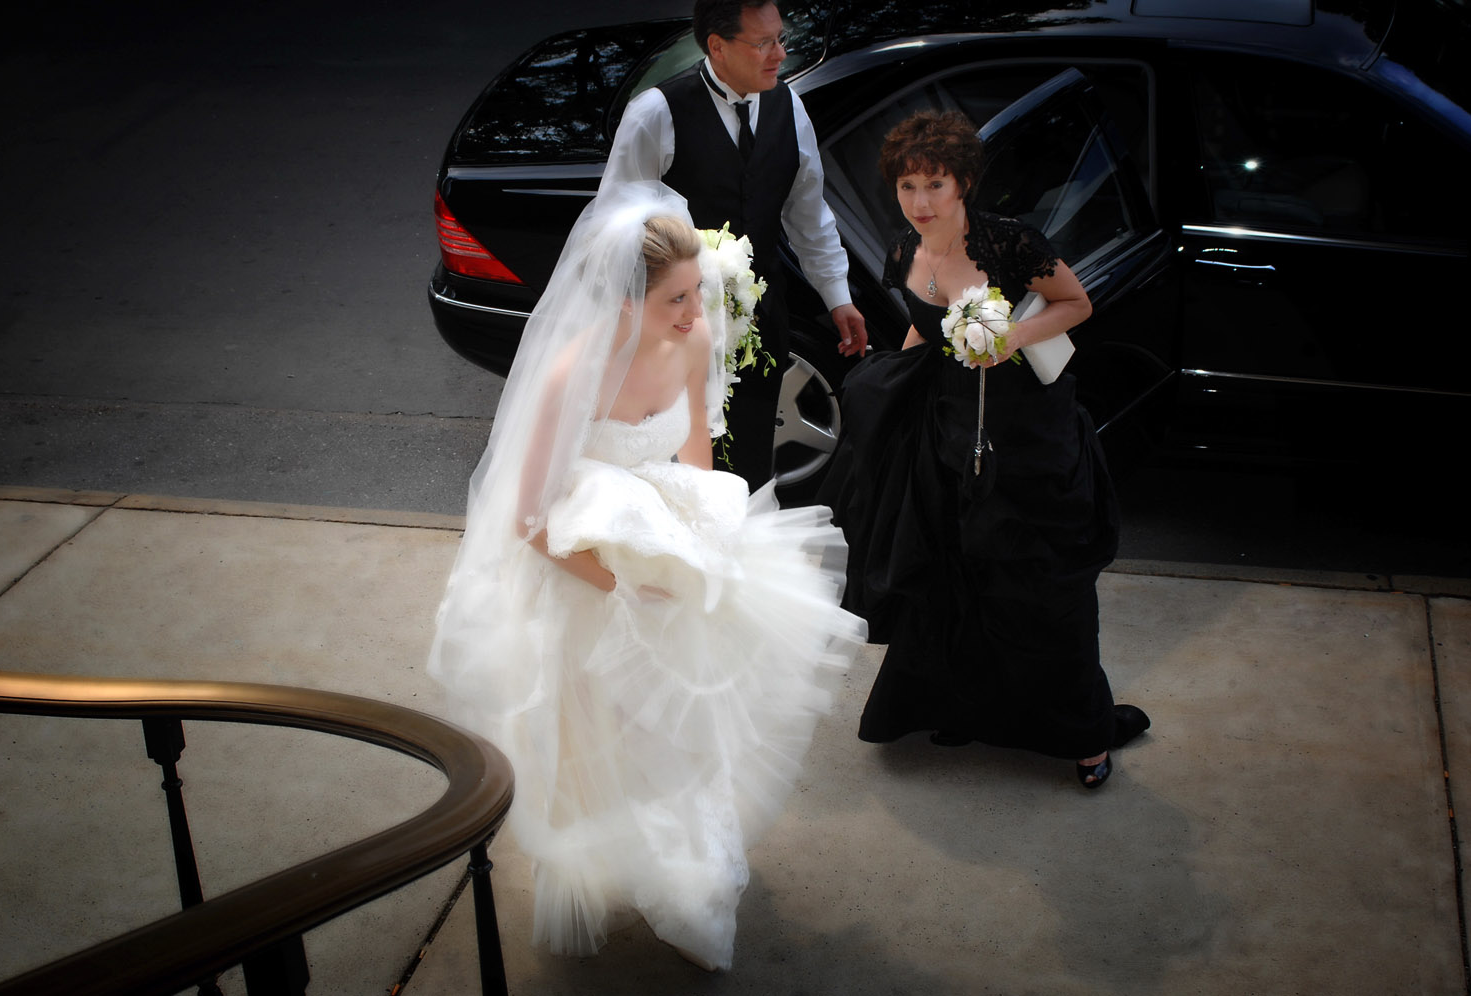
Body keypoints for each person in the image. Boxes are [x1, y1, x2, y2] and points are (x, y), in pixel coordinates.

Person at [428, 182, 866, 970]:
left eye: (697, 292)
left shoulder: (693, 342)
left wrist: (706, 545)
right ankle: (610, 862)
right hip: (583, 573)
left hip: (662, 553)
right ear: (624, 302)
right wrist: (622, 590)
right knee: (602, 746)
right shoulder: (572, 375)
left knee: (683, 739)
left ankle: (688, 877)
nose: (696, 312)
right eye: (675, 298)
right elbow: (530, 521)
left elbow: (697, 454)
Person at [819, 110, 1149, 788]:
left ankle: (1084, 736)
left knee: (1043, 587)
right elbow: (920, 334)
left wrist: (1009, 339)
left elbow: (1075, 304)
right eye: (908, 187)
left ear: (964, 182)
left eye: (935, 185)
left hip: (1028, 437)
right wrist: (887, 398)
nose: (921, 202)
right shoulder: (900, 252)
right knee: (954, 578)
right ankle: (961, 705)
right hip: (946, 432)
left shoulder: (1010, 244)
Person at [601, 0, 867, 490]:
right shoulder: (656, 114)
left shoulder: (790, 106)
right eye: (764, 43)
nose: (780, 54)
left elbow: (808, 213)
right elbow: (617, 229)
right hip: (668, 330)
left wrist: (838, 296)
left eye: (780, 38)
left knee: (745, 462)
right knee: (670, 467)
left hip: (761, 323)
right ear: (717, 47)